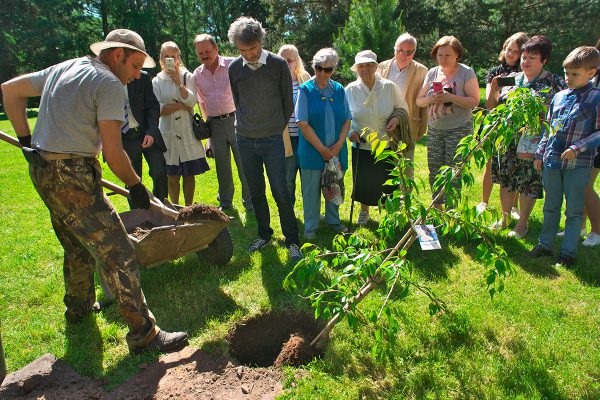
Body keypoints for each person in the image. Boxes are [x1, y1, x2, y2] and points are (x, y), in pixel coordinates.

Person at [1, 29, 187, 353]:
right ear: (118, 55)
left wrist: (26, 141)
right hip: (72, 174)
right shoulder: (109, 83)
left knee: (74, 241)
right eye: (134, 67)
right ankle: (144, 334)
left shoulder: (64, 68)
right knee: (118, 251)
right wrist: (136, 186)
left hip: (43, 169)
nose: (135, 76)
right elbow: (114, 154)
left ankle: (79, 307)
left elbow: (10, 91)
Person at [227, 17, 302, 261]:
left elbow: (287, 102)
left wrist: (273, 128)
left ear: (260, 42)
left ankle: (292, 241)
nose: (248, 54)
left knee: (281, 191)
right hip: (245, 140)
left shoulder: (279, 64)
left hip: (272, 140)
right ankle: (264, 234)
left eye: (252, 49)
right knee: (256, 191)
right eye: (242, 50)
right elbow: (238, 101)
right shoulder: (234, 68)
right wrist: (248, 126)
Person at [488, 35, 566, 238]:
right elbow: (492, 107)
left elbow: (561, 114)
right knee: (506, 179)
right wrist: (494, 91)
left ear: (544, 59)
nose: (525, 61)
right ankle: (505, 218)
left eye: (532, 57)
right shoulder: (512, 78)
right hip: (507, 138)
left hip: (534, 140)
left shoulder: (555, 82)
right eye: (523, 57)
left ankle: (522, 223)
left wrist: (541, 114)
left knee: (528, 181)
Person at [528, 46, 600, 266]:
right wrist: (540, 153)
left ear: (592, 72)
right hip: (552, 161)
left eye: (574, 74)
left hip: (578, 164)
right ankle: (545, 245)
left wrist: (577, 147)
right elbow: (548, 129)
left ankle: (568, 252)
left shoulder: (596, 98)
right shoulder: (559, 96)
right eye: (567, 73)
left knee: (574, 209)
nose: (568, 78)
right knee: (550, 205)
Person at [416, 36, 480, 206]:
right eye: (439, 55)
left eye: (447, 55)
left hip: (459, 128)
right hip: (436, 128)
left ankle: (451, 213)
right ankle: (436, 210)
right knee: (435, 170)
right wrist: (430, 99)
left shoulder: (466, 72)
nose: (443, 59)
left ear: (457, 55)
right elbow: (419, 101)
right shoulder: (432, 72)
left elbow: (474, 101)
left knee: (453, 172)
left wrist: (450, 97)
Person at [346, 50, 408, 226]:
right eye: (361, 66)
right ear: (356, 69)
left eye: (368, 65)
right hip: (362, 144)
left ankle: (391, 215)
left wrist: (396, 119)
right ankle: (364, 212)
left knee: (389, 181)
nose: (365, 69)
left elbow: (402, 108)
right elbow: (344, 117)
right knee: (364, 180)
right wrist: (351, 132)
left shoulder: (389, 87)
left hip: (386, 143)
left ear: (375, 66)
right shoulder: (350, 90)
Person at [296, 48, 352, 239]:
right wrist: (322, 149)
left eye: (327, 70)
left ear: (333, 70)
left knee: (334, 186)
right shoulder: (305, 90)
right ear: (313, 67)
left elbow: (347, 119)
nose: (322, 73)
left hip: (337, 150)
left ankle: (334, 221)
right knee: (310, 192)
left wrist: (339, 143)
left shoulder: (339, 89)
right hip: (312, 152)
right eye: (318, 68)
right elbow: (302, 123)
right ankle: (310, 226)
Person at [192, 34, 252, 212]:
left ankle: (249, 201)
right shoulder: (197, 74)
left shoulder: (233, 65)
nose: (204, 55)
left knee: (244, 163)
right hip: (214, 124)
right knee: (222, 166)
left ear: (216, 49)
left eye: (207, 51)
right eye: (200, 52)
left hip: (237, 120)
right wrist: (208, 132)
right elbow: (201, 102)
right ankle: (225, 202)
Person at [479, 32, 530, 215]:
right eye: (509, 49)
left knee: (515, 164)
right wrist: (494, 89)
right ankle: (484, 201)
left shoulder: (524, 74)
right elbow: (489, 104)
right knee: (490, 162)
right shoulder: (494, 72)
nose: (511, 54)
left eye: (516, 51)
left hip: (516, 125)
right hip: (495, 123)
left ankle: (514, 205)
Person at [152, 41, 209, 206]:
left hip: (186, 131)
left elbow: (191, 102)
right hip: (168, 132)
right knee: (172, 176)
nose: (170, 59)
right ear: (161, 58)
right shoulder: (157, 81)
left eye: (173, 56)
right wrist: (178, 106)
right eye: (166, 56)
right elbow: (157, 108)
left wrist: (178, 83)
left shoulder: (187, 76)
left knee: (189, 174)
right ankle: (175, 207)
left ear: (179, 58)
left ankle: (189, 207)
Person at [377, 33, 428, 179]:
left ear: (414, 52)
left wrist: (421, 130)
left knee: (405, 171)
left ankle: (404, 200)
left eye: (409, 52)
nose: (404, 55)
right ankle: (385, 199)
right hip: (383, 125)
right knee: (384, 169)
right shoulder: (381, 67)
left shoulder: (422, 71)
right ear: (394, 49)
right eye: (400, 50)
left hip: (408, 126)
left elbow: (425, 105)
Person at [122, 70, 168, 205]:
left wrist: (151, 132)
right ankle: (137, 215)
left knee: (159, 171)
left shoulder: (141, 77)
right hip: (125, 137)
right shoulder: (108, 81)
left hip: (145, 132)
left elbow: (153, 107)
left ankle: (161, 209)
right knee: (133, 178)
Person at [278, 44, 311, 206]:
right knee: (288, 179)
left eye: (289, 60)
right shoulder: (274, 81)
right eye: (282, 60)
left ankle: (310, 211)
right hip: (286, 139)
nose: (285, 63)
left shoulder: (306, 79)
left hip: (305, 138)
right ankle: (288, 209)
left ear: (297, 61)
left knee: (308, 177)